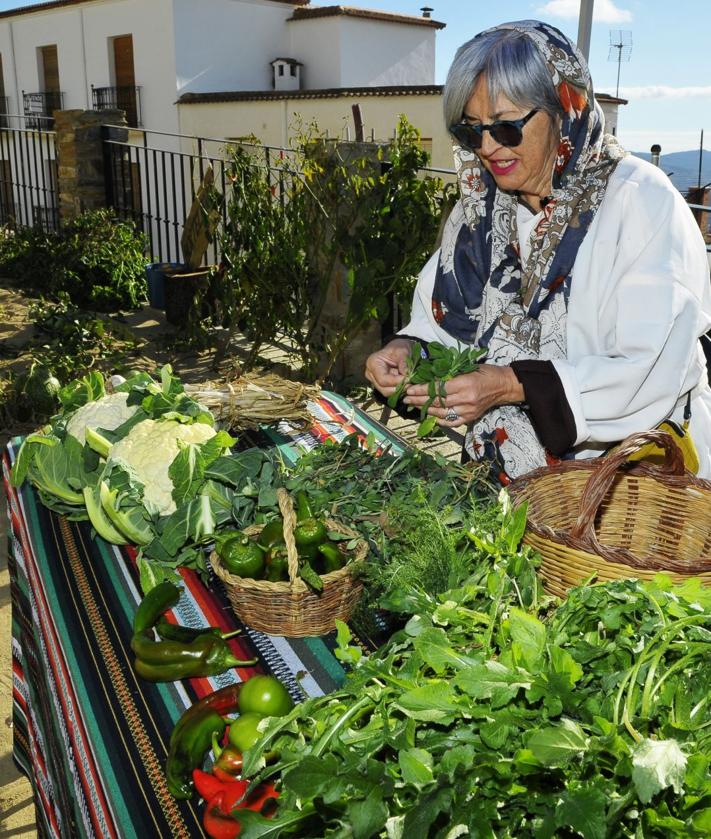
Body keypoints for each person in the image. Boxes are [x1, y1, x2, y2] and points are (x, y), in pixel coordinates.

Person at [365, 19, 711, 483]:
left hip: (627, 493)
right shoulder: (479, 214)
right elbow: (444, 324)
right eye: (472, 131)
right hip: (511, 483)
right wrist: (406, 353)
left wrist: (512, 384)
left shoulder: (640, 204)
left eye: (507, 128)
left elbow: (646, 367)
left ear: (564, 110)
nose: (487, 148)